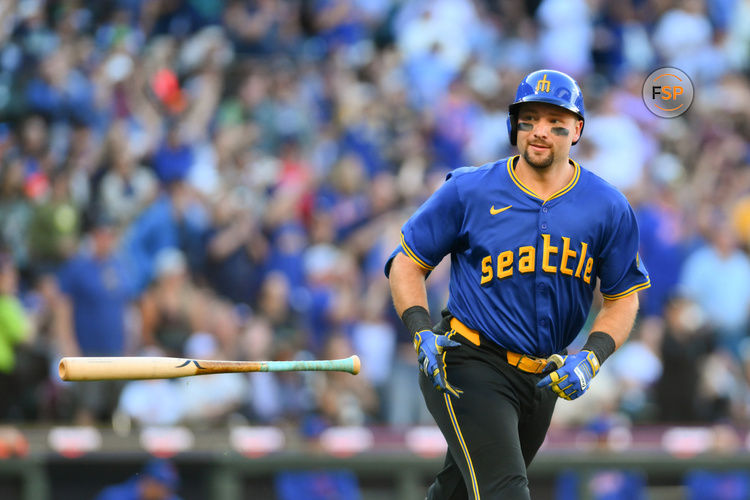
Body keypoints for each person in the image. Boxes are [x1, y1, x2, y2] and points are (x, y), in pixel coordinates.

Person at [385, 69, 651, 499]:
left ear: (577, 129)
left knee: (457, 490)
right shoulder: (469, 189)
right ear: (514, 125)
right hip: (468, 361)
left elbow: (622, 298)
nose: (540, 131)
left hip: (544, 377)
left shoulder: (608, 206)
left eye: (554, 121)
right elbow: (407, 263)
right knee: (505, 492)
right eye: (529, 119)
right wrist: (419, 329)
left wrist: (591, 358)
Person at [94, 458, 182, 500]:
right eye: (161, 485)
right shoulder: (114, 496)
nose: (165, 491)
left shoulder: (170, 498)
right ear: (147, 480)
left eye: (169, 487)